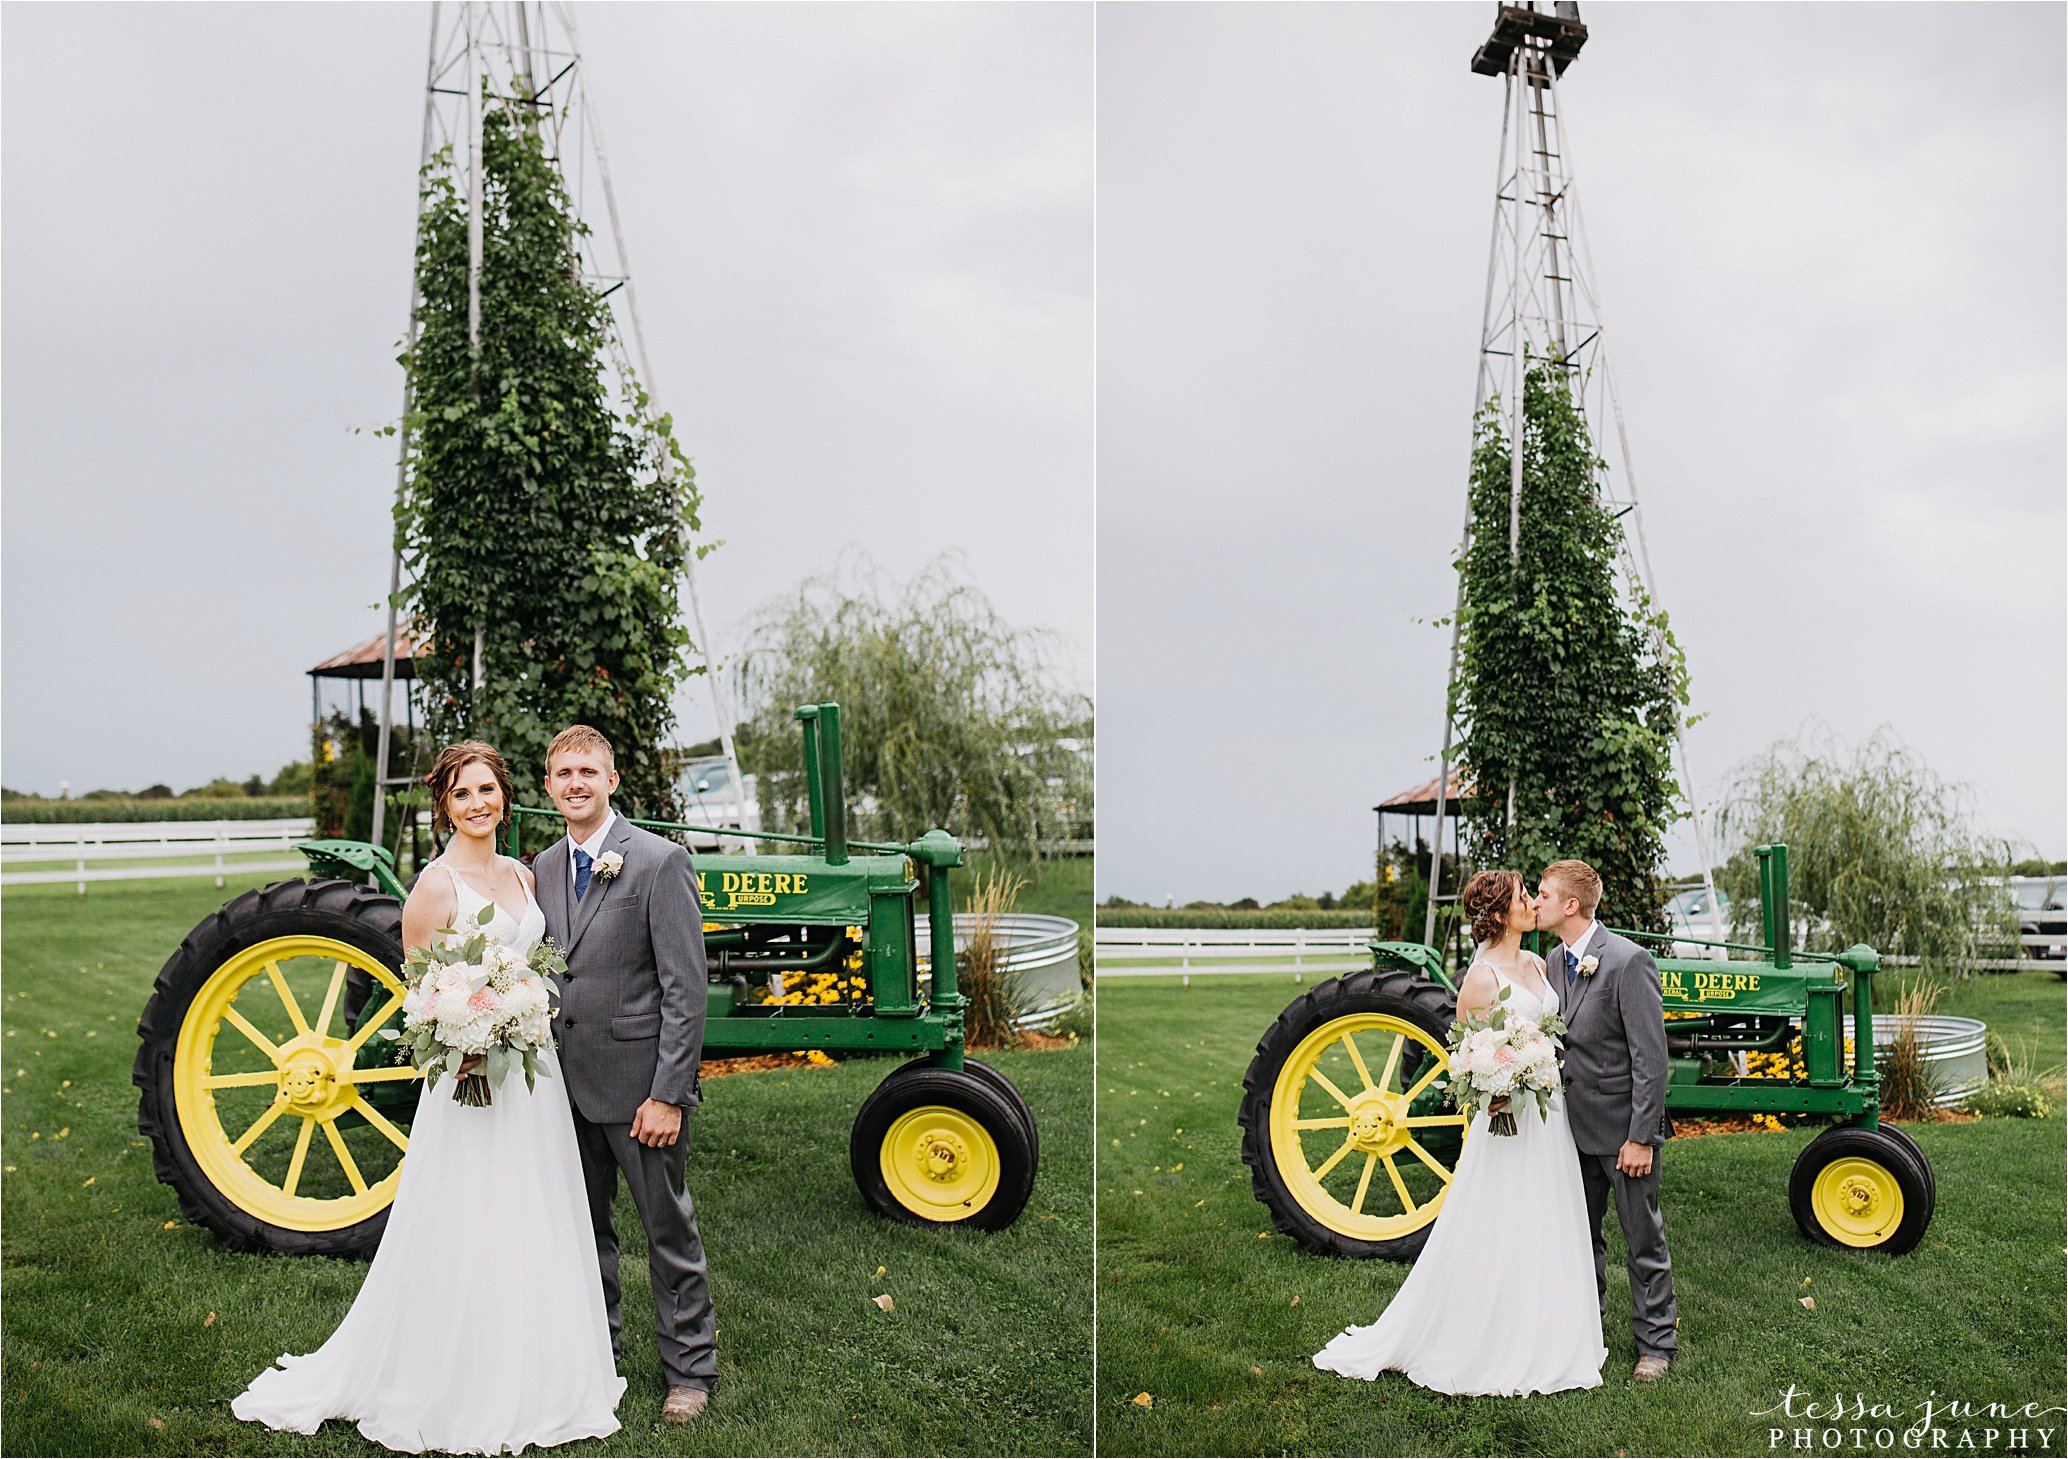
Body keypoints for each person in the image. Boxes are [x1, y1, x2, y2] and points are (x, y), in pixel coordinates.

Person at [233, 740, 625, 1454]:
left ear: (505, 794)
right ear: (443, 805)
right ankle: (458, 1377)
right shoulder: (436, 887)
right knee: (471, 1215)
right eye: (462, 794)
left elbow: (534, 966)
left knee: (533, 1209)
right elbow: (423, 996)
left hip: (531, 1077)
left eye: (487, 789)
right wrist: (471, 1030)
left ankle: (542, 1366)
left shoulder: (523, 875)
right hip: (471, 1078)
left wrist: (522, 1012)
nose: (478, 803)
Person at [1313, 868, 1606, 1396]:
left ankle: (1550, 1332)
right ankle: (1489, 1339)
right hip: (1508, 1119)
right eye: (1524, 897)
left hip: (1549, 1115)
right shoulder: (1482, 978)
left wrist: (1538, 1063)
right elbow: (1465, 1057)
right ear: (1502, 913)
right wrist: (1498, 1083)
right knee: (1505, 1220)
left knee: (1549, 1215)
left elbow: (1548, 1031)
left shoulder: (1539, 963)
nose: (1532, 904)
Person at [532, 724, 716, 1423]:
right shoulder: (542, 866)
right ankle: (595, 1357)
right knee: (583, 1232)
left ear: (612, 781)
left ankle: (690, 1369)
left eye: (588, 770)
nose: (575, 782)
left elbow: (685, 988)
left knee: (666, 1231)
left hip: (641, 1091)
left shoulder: (659, 862)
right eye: (563, 772)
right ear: (549, 786)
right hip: (558, 1089)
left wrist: (668, 1093)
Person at [1532, 857, 1678, 1382]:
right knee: (1580, 1237)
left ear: (1571, 905)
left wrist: (1641, 1137)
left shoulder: (1627, 961)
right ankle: (1586, 1331)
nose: (1535, 901)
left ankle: (1656, 1344)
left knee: (1643, 1239)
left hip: (1624, 1135)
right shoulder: (1550, 961)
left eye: (1544, 894)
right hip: (1568, 1130)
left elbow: (1651, 1058)